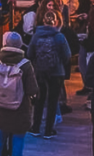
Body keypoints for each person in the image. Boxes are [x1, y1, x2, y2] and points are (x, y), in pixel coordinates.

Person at [27, 10, 71, 138]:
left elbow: (30, 54)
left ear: (43, 21)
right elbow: (67, 55)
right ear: (56, 22)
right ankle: (48, 130)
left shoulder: (36, 35)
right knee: (53, 101)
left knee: (40, 99)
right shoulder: (59, 36)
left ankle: (35, 127)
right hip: (56, 72)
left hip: (40, 71)